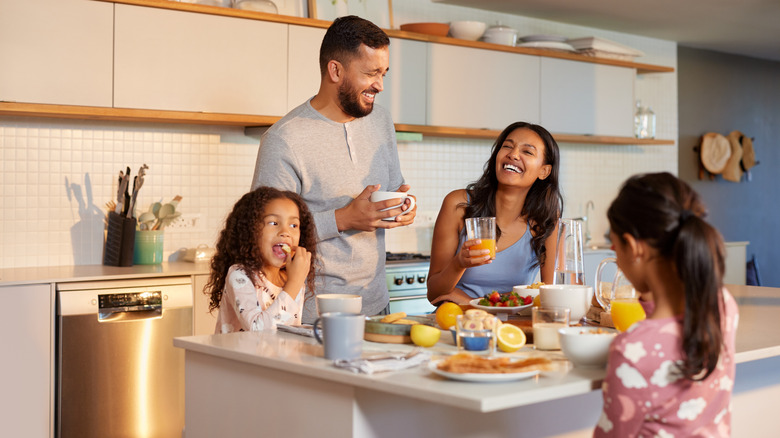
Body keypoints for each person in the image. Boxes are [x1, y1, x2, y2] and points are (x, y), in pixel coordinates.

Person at [252, 15, 416, 322]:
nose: (379, 85)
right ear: (335, 70)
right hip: (314, 313)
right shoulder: (284, 139)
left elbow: (393, 187)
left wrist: (402, 206)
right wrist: (344, 218)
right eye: (370, 73)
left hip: (377, 305)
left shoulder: (381, 122)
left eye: (383, 73)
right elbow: (264, 231)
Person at [594, 172, 738, 437]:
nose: (615, 255)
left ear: (633, 247)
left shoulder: (632, 350)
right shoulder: (723, 305)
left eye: (614, 246)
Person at [427, 121, 563, 305]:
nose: (513, 154)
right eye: (507, 146)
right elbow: (434, 294)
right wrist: (459, 263)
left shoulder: (545, 219)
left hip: (511, 328)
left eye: (527, 151)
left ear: (544, 171)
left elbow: (553, 296)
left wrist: (476, 303)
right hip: (456, 321)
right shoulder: (458, 204)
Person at [205, 187, 317, 333]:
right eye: (273, 223)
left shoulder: (291, 278)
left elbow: (288, 331)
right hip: (238, 356)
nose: (285, 232)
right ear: (250, 230)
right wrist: (294, 283)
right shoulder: (240, 275)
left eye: (294, 225)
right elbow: (257, 330)